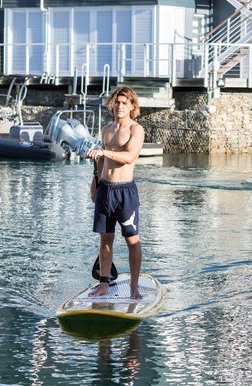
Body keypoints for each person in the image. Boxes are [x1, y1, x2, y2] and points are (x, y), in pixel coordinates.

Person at [87, 86, 145, 299]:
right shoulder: (106, 129)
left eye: (124, 103)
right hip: (105, 189)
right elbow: (101, 160)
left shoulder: (136, 129)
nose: (120, 106)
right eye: (117, 102)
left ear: (132, 106)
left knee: (132, 240)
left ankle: (134, 286)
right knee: (105, 239)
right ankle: (103, 283)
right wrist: (95, 184)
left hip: (125, 192)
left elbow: (129, 157)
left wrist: (104, 152)